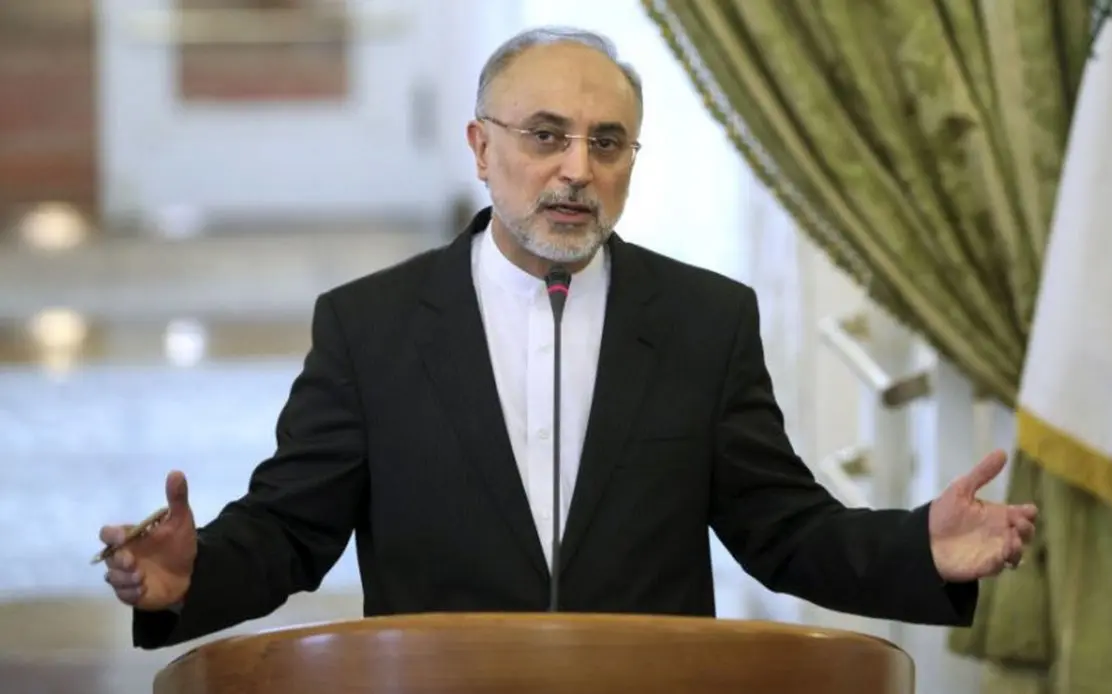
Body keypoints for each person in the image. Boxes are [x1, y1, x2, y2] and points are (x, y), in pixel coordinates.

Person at [99, 27, 1036, 650]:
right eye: (546, 136)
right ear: (481, 148)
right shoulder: (370, 325)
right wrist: (192, 575)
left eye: (607, 142)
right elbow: (291, 530)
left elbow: (782, 530)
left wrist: (920, 548)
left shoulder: (706, 320)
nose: (577, 170)